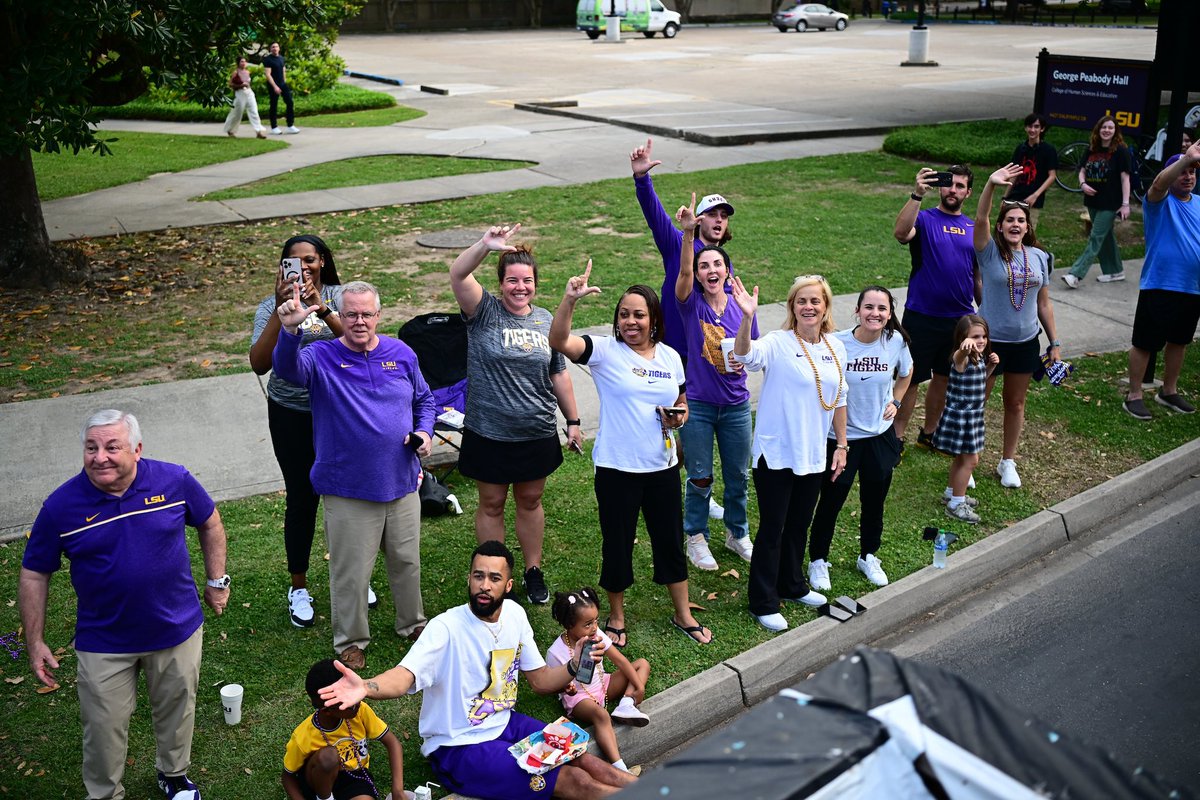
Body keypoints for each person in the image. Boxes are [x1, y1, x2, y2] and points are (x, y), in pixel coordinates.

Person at [318, 541, 637, 800]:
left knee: (578, 755)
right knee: (570, 779)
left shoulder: (514, 614)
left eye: (494, 578)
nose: (485, 585)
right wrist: (366, 687)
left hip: (506, 723)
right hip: (458, 746)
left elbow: (541, 681)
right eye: (478, 576)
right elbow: (404, 676)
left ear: (508, 585)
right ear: (469, 578)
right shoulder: (445, 628)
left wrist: (572, 664)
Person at [19, 409, 229, 800]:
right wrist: (35, 641)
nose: (100, 457)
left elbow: (210, 521)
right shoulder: (61, 507)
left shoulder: (174, 480)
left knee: (177, 709)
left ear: (136, 449)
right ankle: (104, 793)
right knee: (102, 727)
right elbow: (34, 572)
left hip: (176, 628)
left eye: (112, 447)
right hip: (105, 641)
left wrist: (217, 580)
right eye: (91, 447)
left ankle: (174, 773)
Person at [273, 280, 435, 670]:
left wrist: (425, 433)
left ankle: (412, 624)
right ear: (339, 317)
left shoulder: (401, 353)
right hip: (348, 489)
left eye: (367, 314)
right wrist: (290, 331)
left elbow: (424, 400)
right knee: (350, 574)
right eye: (351, 315)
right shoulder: (321, 356)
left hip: (401, 483)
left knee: (406, 561)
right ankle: (351, 640)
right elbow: (286, 369)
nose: (359, 321)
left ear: (378, 315)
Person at [550, 269, 713, 647]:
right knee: (618, 542)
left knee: (670, 540)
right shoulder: (605, 352)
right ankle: (617, 617)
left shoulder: (671, 357)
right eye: (624, 314)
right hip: (617, 469)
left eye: (639, 315)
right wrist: (570, 299)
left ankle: (683, 613)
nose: (631, 321)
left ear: (654, 319)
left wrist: (679, 416)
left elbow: (682, 401)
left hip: (662, 467)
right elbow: (558, 340)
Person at [449, 224, 582, 606]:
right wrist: (485, 246)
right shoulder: (482, 311)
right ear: (501, 283)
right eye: (511, 280)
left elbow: (558, 371)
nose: (519, 287)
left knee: (530, 501)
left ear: (536, 283)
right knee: (491, 503)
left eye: (527, 281)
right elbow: (458, 273)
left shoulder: (544, 320)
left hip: (536, 431)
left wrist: (572, 420)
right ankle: (493, 573)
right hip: (488, 432)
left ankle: (532, 570)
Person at [730, 275, 849, 633]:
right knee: (773, 527)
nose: (808, 307)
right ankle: (763, 601)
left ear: (826, 306)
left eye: (815, 301)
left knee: (799, 524)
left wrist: (841, 444)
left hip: (813, 453)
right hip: (777, 454)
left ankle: (792, 585)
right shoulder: (778, 343)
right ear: (792, 307)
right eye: (801, 301)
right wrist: (747, 317)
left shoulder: (835, 347)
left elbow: (840, 398)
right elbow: (744, 356)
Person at [630, 138, 732, 523]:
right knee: (671, 422)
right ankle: (672, 486)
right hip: (671, 352)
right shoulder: (677, 244)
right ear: (699, 219)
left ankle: (697, 489)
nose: (719, 220)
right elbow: (654, 214)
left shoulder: (723, 263)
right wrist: (643, 179)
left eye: (724, 215)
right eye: (712, 214)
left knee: (698, 429)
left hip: (704, 360)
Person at [250, 235, 343, 629]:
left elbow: (364, 342)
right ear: (283, 268)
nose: (303, 267)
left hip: (339, 411)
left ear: (322, 261)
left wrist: (322, 310)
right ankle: (299, 586)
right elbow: (258, 363)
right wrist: (280, 311)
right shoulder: (270, 306)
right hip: (290, 413)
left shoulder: (340, 296)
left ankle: (349, 577)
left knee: (345, 497)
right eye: (293, 262)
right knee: (302, 497)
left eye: (309, 260)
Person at [673, 194, 758, 571]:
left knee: (739, 475)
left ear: (726, 271)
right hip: (701, 405)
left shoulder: (742, 305)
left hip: (737, 405)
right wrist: (690, 236)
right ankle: (695, 536)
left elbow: (748, 354)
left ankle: (736, 533)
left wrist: (746, 315)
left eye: (717, 264)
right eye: (704, 264)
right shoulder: (690, 302)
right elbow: (686, 274)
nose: (710, 269)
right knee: (700, 476)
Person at [808, 286, 912, 590]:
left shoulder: (896, 342)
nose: (874, 314)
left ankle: (868, 555)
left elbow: (907, 372)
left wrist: (897, 401)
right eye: (869, 307)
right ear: (857, 311)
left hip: (879, 437)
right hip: (840, 440)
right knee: (831, 500)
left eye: (881, 309)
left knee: (874, 500)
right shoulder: (837, 344)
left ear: (889, 314)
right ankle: (818, 560)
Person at [974, 165, 1062, 489]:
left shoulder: (1039, 257)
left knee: (1016, 403)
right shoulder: (989, 252)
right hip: (989, 343)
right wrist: (991, 186)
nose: (1015, 224)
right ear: (1001, 226)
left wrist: (1054, 342)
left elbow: (1044, 303)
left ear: (1027, 227)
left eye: (1020, 220)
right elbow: (980, 219)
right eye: (1009, 220)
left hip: (1026, 342)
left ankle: (1007, 461)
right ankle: (968, 460)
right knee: (976, 401)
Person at [892, 165, 977, 451]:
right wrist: (917, 194)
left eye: (960, 186)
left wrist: (983, 312)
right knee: (911, 378)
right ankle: (897, 437)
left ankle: (930, 433)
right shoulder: (925, 218)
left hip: (958, 319)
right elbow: (901, 233)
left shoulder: (972, 228)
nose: (953, 190)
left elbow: (975, 275)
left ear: (968, 192)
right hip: (921, 315)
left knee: (944, 377)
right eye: (949, 184)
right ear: (941, 187)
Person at [1123, 147, 1200, 420]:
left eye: (1192, 172)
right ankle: (1133, 394)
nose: (1188, 176)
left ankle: (1168, 390)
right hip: (1160, 283)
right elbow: (1158, 184)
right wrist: (1186, 158)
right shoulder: (1159, 202)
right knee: (1145, 342)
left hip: (1192, 287)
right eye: (1182, 172)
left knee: (1179, 341)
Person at [545, 587, 651, 774]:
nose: (594, 627)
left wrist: (638, 687)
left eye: (595, 621)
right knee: (601, 715)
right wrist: (565, 689)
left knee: (641, 664)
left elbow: (620, 660)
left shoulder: (597, 635)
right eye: (587, 624)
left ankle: (626, 704)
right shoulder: (555, 652)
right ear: (569, 625)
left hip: (603, 684)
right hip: (579, 698)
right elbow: (552, 684)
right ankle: (619, 768)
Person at [282, 659, 405, 800]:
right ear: (327, 710)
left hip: (354, 777)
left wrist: (398, 790)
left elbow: (392, 743)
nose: (357, 701)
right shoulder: (303, 735)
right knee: (328, 757)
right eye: (350, 702)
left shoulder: (361, 711)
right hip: (318, 781)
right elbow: (287, 777)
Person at [934, 316, 999, 524]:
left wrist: (990, 367)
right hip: (962, 417)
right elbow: (959, 357)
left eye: (984, 336)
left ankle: (951, 493)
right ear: (963, 339)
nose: (981, 340)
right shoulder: (960, 358)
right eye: (975, 337)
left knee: (962, 458)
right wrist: (964, 348)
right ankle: (956, 504)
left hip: (973, 415)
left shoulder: (979, 358)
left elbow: (980, 379)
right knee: (971, 460)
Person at [1062, 115, 1132, 288]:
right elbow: (1082, 170)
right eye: (1103, 127)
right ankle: (1115, 271)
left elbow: (1125, 179)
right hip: (1092, 201)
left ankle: (1075, 274)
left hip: (1111, 202)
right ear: (1098, 129)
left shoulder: (1121, 151)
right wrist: (1083, 184)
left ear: (1115, 131)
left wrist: (1125, 204)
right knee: (1105, 237)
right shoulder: (1092, 148)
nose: (1106, 130)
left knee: (1095, 236)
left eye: (1110, 127)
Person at [1004, 113, 1057, 230]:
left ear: (1042, 129)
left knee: (1028, 231)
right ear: (1025, 128)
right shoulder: (1020, 148)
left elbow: (1052, 176)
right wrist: (1005, 197)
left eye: (1036, 126)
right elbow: (1014, 174)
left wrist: (1035, 195)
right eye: (1030, 126)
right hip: (1016, 195)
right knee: (1008, 229)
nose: (1032, 130)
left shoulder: (1048, 150)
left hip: (1033, 198)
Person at [223, 56, 267, 139]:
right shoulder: (235, 73)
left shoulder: (247, 72)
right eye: (241, 62)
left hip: (249, 93)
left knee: (254, 111)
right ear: (238, 63)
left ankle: (258, 131)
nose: (243, 63)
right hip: (240, 94)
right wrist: (240, 85)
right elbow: (230, 84)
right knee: (237, 113)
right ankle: (230, 130)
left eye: (244, 61)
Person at [263, 41, 300, 135]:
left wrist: (284, 82)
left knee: (290, 102)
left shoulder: (281, 58)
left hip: (282, 84)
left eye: (276, 47)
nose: (275, 48)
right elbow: (268, 74)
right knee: (274, 105)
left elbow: (283, 70)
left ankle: (290, 125)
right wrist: (275, 86)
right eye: (273, 47)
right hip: (273, 85)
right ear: (270, 49)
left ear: (279, 48)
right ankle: (274, 127)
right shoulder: (268, 59)